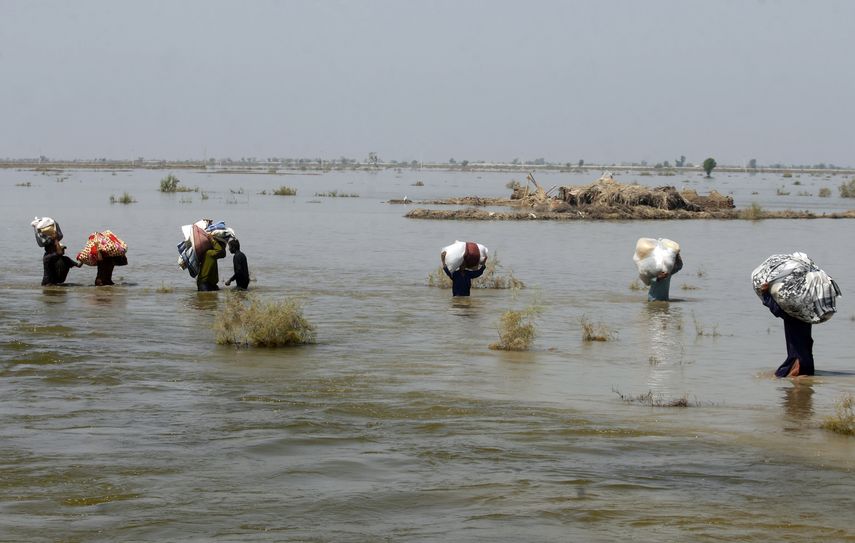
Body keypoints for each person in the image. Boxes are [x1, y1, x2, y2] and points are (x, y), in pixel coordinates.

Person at [760, 282, 814, 377]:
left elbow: (776, 310)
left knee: (784, 380)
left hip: (797, 360)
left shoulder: (793, 312)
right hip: (807, 359)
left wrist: (766, 294)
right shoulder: (806, 310)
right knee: (805, 384)